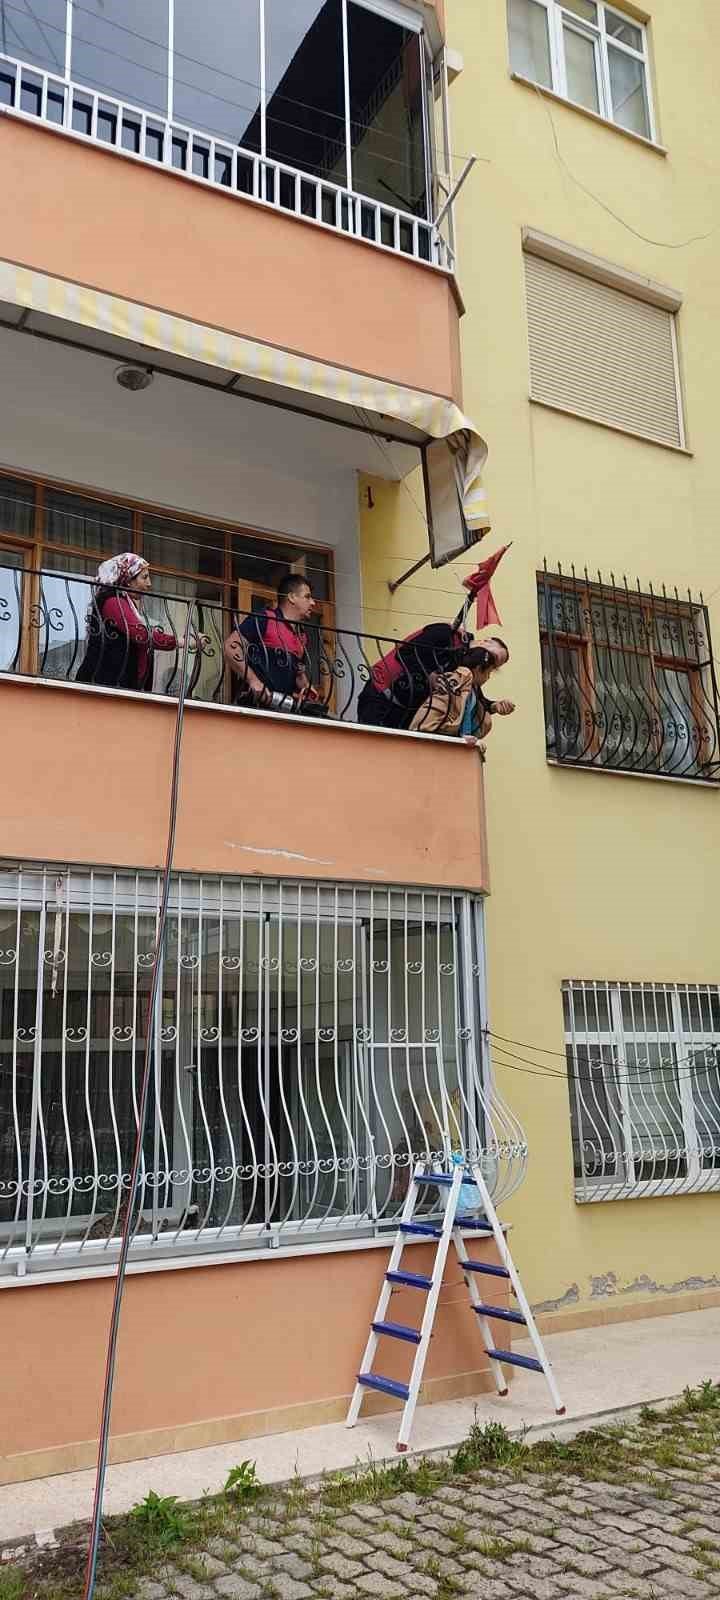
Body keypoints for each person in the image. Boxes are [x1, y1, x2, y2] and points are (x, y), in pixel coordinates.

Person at [75, 554, 183, 691]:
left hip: (117, 686)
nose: (149, 584)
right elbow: (139, 633)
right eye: (144, 577)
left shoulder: (125, 603)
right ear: (128, 581)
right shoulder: (112, 602)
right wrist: (178, 641)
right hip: (104, 685)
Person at [224, 575, 324, 714]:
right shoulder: (265, 618)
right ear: (291, 597)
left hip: (284, 711)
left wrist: (306, 687)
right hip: (255, 707)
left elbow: (298, 674)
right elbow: (230, 646)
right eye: (307, 597)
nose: (312, 602)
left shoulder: (302, 635)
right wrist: (253, 681)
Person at [357, 620, 472, 730]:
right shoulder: (444, 632)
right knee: (370, 744)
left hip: (406, 708)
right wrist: (429, 675)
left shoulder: (463, 660)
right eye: (488, 640)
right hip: (381, 694)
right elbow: (405, 652)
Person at [409, 639, 515, 739]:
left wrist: (494, 706)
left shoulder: (471, 684)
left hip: (432, 731)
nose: (489, 676)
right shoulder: (463, 675)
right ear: (479, 668)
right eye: (494, 658)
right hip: (429, 730)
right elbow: (459, 708)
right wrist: (465, 736)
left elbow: (479, 703)